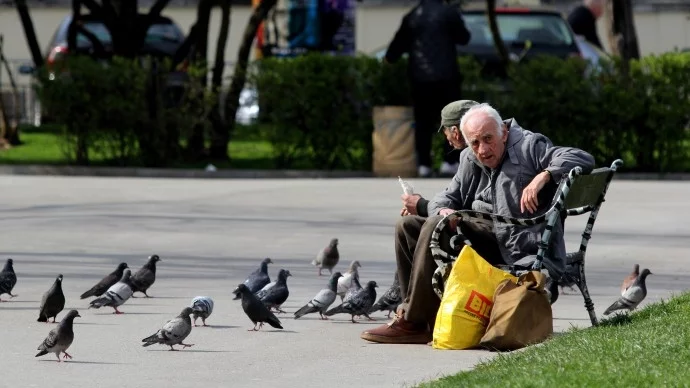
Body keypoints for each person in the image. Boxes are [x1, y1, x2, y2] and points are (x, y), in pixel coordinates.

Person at [361, 103, 595, 344]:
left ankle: (413, 322)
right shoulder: (469, 157)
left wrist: (543, 176)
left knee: (433, 227)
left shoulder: (529, 145)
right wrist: (443, 210)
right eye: (474, 143)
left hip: (521, 244)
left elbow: (581, 158)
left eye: (487, 139)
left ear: (503, 132)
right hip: (485, 235)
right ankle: (417, 316)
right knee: (408, 225)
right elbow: (447, 196)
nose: (482, 150)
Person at [384, 0, 472, 178]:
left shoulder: (412, 16)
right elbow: (464, 38)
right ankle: (450, 161)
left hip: (420, 78)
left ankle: (424, 163)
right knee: (451, 119)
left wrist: (388, 59)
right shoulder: (449, 13)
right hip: (447, 77)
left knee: (423, 120)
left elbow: (398, 44)